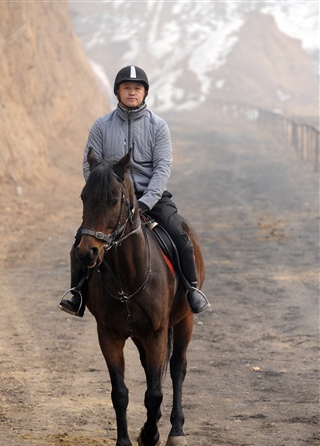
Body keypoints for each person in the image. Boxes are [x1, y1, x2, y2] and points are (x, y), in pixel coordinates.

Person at [59, 65, 209, 317]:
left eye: (137, 88)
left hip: (152, 198)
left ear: (145, 93)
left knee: (180, 236)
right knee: (80, 243)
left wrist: (146, 202)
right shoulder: (101, 126)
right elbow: (90, 164)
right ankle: (77, 293)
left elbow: (163, 167)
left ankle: (192, 290)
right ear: (117, 92)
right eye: (126, 88)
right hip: (111, 201)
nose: (131, 92)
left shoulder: (158, 127)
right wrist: (104, 194)